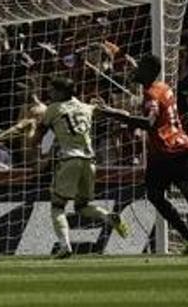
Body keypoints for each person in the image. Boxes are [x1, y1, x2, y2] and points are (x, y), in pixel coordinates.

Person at [96, 53, 188, 255]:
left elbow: (148, 122)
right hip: (181, 146)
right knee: (186, 193)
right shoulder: (164, 87)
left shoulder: (151, 94)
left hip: (166, 151)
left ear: (148, 71)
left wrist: (110, 113)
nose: (136, 69)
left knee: (158, 195)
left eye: (140, 67)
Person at [33, 76, 128, 259]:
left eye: (52, 90)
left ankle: (64, 245)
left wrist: (31, 142)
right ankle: (108, 216)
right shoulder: (87, 107)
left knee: (57, 206)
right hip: (90, 161)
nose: (49, 93)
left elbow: (37, 137)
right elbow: (124, 115)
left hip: (69, 159)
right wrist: (108, 108)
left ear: (61, 92)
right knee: (82, 206)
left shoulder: (53, 109)